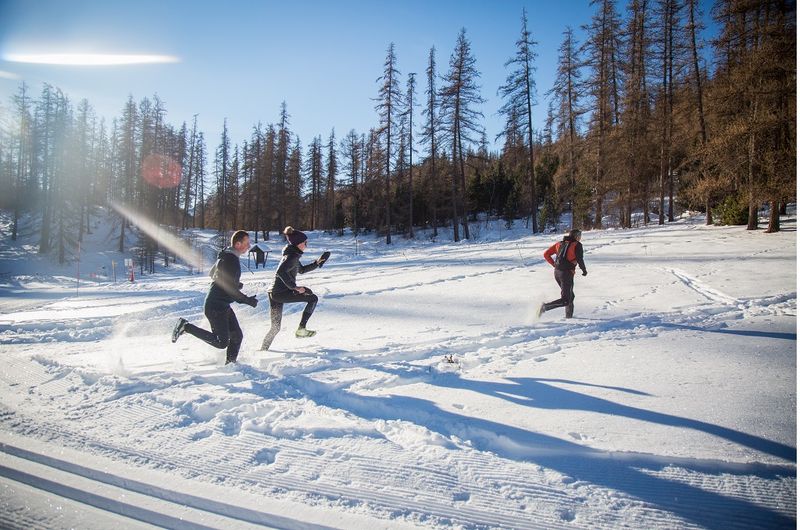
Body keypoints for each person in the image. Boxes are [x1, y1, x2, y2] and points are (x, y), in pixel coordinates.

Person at [171, 230, 258, 364]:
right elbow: (230, 291)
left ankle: (231, 365)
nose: (249, 245)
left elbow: (213, 274)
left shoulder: (225, 256)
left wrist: (234, 283)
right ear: (238, 244)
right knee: (221, 342)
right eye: (247, 243)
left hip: (221, 305)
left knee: (237, 337)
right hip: (216, 307)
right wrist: (248, 300)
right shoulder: (231, 260)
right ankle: (186, 327)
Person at [260, 226, 330, 350]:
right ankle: (301, 329)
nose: (306, 245)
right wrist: (295, 287)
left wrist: (316, 263)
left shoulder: (292, 254)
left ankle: (263, 349)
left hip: (274, 293)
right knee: (312, 298)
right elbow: (281, 272)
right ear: (298, 243)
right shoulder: (292, 257)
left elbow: (301, 270)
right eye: (305, 242)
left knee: (275, 327)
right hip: (280, 293)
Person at [538, 229, 588, 319]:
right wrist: (584, 270)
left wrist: (554, 265)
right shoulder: (577, 245)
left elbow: (546, 254)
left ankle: (569, 317)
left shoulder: (559, 244)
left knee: (570, 296)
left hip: (557, 273)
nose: (580, 238)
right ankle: (545, 307)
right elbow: (580, 259)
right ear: (576, 236)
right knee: (565, 300)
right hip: (566, 274)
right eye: (579, 235)